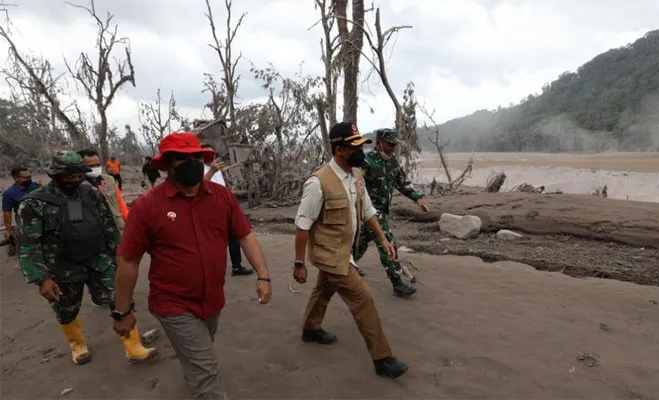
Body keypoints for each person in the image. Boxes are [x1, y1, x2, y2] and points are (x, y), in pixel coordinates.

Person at [112, 132, 272, 399]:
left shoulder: (222, 197)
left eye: (196, 157)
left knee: (201, 353)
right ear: (166, 165)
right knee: (207, 375)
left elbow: (245, 235)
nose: (192, 163)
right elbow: (128, 261)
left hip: (212, 300)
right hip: (173, 304)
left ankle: (196, 375)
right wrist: (122, 311)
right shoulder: (147, 207)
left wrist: (263, 276)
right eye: (182, 158)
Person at [16, 150, 155, 365]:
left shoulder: (90, 193)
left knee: (119, 298)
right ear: (55, 175)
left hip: (98, 259)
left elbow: (108, 225)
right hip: (61, 266)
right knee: (66, 307)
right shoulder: (34, 203)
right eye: (69, 177)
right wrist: (42, 278)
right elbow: (28, 244)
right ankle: (77, 344)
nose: (75, 180)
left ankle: (133, 346)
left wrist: (119, 255)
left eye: (78, 176)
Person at [293, 122, 409, 379]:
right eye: (355, 146)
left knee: (324, 289)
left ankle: (310, 329)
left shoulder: (356, 176)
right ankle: (382, 358)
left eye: (361, 145)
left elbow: (367, 210)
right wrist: (299, 263)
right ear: (340, 150)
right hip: (331, 254)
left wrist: (384, 240)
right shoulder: (318, 182)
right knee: (363, 299)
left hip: (345, 252)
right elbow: (302, 225)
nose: (361, 151)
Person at [354, 128, 426, 298]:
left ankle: (346, 265)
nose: (393, 147)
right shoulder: (367, 162)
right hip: (370, 212)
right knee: (388, 244)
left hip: (383, 212)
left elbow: (402, 182)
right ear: (379, 143)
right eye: (390, 144)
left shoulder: (392, 162)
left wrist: (416, 198)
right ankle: (397, 283)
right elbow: (354, 185)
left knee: (362, 242)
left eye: (395, 144)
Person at [201, 144, 254, 277]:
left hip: (223, 208)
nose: (211, 156)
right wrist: (211, 171)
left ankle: (236, 266)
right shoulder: (201, 169)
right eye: (207, 154)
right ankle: (207, 267)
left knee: (234, 236)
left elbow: (222, 186)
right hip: (209, 209)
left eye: (212, 153)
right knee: (215, 240)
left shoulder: (217, 168)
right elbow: (200, 188)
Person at [78, 148, 129, 238]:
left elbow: (120, 202)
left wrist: (129, 221)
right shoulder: (77, 185)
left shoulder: (109, 180)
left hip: (115, 228)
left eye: (98, 165)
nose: (95, 168)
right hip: (93, 233)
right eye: (91, 166)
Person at [2, 166, 40, 256]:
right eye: (25, 178)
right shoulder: (9, 194)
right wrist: (8, 230)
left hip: (40, 217)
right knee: (29, 248)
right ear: (16, 178)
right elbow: (7, 213)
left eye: (29, 177)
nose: (29, 179)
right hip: (24, 222)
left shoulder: (34, 186)